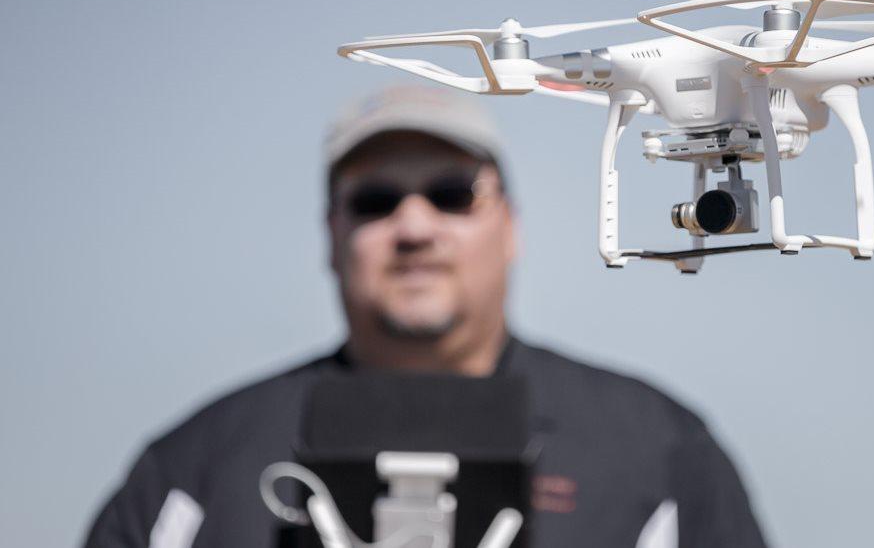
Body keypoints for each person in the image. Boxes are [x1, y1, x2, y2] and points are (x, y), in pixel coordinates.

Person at [84, 86, 768, 548]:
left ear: (511, 225)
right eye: (376, 200)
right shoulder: (195, 472)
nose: (414, 227)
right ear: (329, 233)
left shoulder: (659, 456)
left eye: (451, 194)